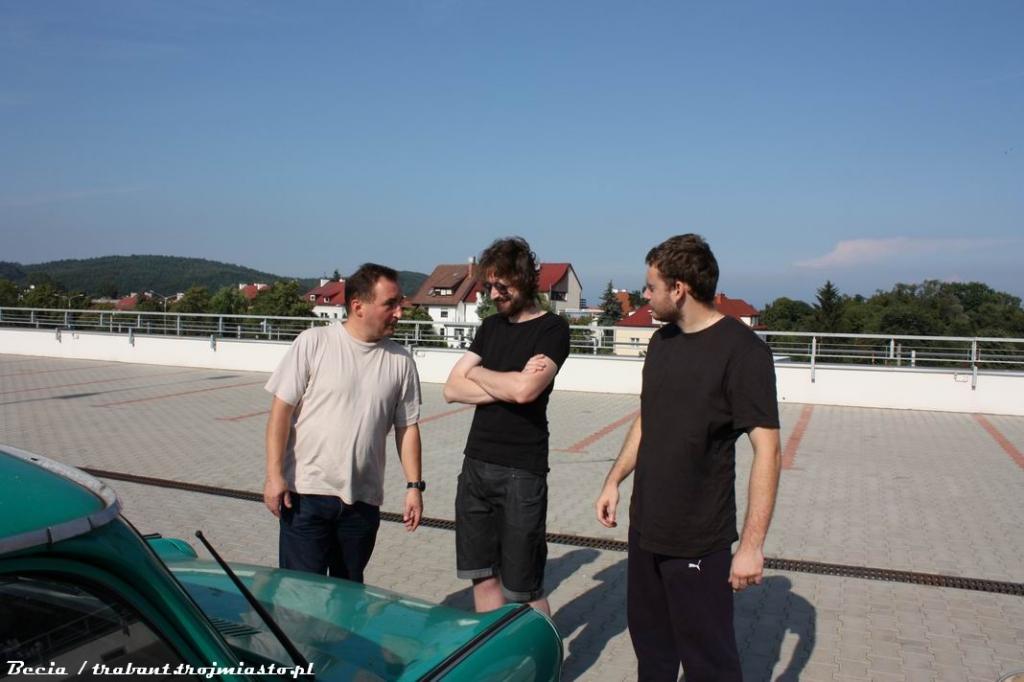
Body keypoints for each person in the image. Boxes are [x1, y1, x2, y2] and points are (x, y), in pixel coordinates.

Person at [595, 234, 781, 681]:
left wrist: (751, 547)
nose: (645, 295)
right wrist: (614, 480)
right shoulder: (662, 343)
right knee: (653, 656)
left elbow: (768, 450)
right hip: (646, 529)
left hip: (698, 539)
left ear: (678, 288)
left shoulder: (743, 352)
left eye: (651, 286)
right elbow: (648, 417)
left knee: (709, 664)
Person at [263, 263, 424, 583]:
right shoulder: (314, 342)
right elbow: (280, 413)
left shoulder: (401, 361)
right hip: (306, 495)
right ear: (358, 306)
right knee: (300, 595)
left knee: (347, 595)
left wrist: (414, 487)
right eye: (390, 304)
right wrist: (274, 476)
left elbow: (407, 428)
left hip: (362, 503)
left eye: (400, 303)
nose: (399, 313)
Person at [443, 237, 571, 615]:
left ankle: (544, 653)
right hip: (475, 466)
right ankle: (495, 653)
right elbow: (451, 389)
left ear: (525, 279)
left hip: (521, 473)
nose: (494, 293)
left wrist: (478, 373)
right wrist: (508, 381)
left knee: (522, 589)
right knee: (483, 577)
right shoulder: (490, 327)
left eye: (502, 285)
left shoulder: (552, 329)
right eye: (489, 286)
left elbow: (525, 391)